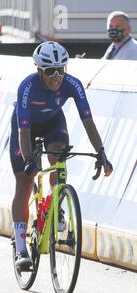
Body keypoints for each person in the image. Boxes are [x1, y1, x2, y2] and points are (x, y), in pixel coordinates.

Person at [10, 41, 114, 269]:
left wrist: (101, 153)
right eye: (49, 71)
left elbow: (88, 121)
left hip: (52, 123)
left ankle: (56, 206)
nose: (56, 76)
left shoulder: (73, 85)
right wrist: (29, 161)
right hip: (26, 127)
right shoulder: (27, 87)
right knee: (24, 181)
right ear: (39, 70)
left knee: (59, 156)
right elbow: (23, 130)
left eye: (61, 70)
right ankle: (20, 249)